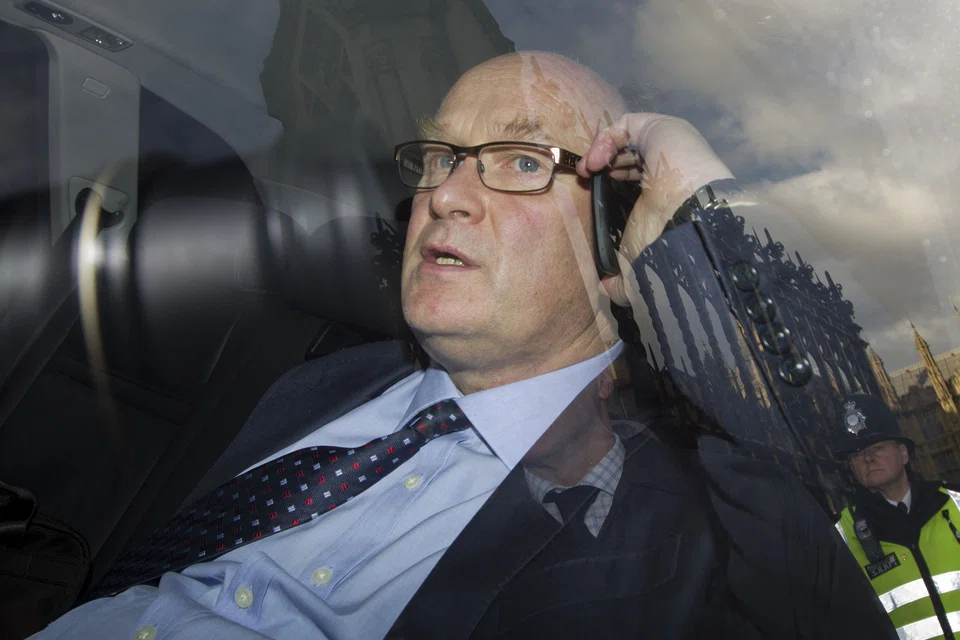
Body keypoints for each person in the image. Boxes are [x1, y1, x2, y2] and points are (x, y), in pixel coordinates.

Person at [29, 52, 895, 639]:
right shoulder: (314, 374)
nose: (445, 194)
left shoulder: (680, 517)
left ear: (614, 237)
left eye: (520, 160)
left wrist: (698, 241)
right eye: (441, 156)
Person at [833, 392, 960, 639]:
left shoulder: (955, 502)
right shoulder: (841, 537)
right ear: (852, 468)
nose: (868, 458)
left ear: (903, 454)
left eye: (877, 447)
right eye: (856, 454)